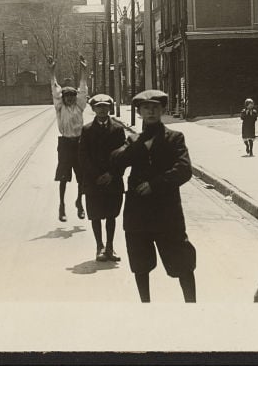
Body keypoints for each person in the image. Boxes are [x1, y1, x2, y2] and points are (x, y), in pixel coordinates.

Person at [110, 89, 197, 303]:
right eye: (146, 108)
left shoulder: (174, 138)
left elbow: (184, 169)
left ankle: (192, 307)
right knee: (140, 265)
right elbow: (115, 162)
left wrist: (155, 184)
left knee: (182, 263)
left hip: (167, 214)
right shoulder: (133, 141)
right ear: (139, 112)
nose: (151, 112)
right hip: (138, 216)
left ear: (162, 110)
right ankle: (146, 307)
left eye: (155, 108)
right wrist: (139, 143)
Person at [78, 94, 126, 262]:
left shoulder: (118, 129)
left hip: (113, 180)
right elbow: (83, 156)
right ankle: (100, 247)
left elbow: (123, 155)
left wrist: (112, 174)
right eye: (99, 107)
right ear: (93, 109)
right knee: (96, 215)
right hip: (94, 181)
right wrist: (96, 175)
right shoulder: (87, 130)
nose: (102, 109)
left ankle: (110, 247)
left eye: (105, 106)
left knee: (112, 214)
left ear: (110, 108)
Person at [48, 55, 87, 222]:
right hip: (65, 144)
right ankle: (62, 206)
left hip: (79, 143)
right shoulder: (60, 108)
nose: (70, 98)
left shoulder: (79, 106)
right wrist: (52, 71)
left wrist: (84, 71)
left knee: (82, 178)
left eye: (72, 96)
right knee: (63, 178)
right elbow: (55, 89)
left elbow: (83, 89)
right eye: (67, 96)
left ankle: (79, 202)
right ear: (63, 98)